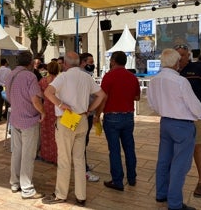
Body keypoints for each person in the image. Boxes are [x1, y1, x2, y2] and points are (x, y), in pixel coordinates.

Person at [147, 48, 201, 210]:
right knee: (180, 165)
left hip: (165, 123)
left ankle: (161, 193)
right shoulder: (180, 81)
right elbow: (193, 104)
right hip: (182, 126)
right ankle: (175, 204)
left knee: (163, 161)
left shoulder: (154, 80)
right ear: (176, 63)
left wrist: (166, 108)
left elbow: (151, 103)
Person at [42, 51, 102, 207]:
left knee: (64, 159)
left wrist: (60, 104)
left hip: (66, 119)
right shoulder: (87, 77)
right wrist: (90, 109)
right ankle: (81, 196)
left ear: (66, 64)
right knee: (79, 159)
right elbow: (102, 95)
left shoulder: (63, 76)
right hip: (82, 118)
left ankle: (61, 194)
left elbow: (48, 92)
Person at [95, 51, 140, 191]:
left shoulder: (108, 77)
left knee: (114, 150)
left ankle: (117, 181)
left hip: (112, 117)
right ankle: (132, 178)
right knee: (129, 148)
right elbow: (137, 97)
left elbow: (103, 98)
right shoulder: (132, 77)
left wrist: (97, 115)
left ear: (113, 61)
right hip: (128, 116)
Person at [175, 44, 201, 197]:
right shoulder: (172, 71)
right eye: (177, 55)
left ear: (188, 56)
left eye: (183, 55)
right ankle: (175, 181)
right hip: (176, 118)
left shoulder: (196, 69)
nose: (180, 58)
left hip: (194, 117)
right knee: (176, 149)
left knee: (197, 148)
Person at [5, 51, 45, 200]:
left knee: (17, 152)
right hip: (29, 120)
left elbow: (8, 96)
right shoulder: (30, 76)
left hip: (15, 118)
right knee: (28, 155)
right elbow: (35, 99)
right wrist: (43, 112)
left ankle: (15, 182)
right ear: (30, 63)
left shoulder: (10, 75)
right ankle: (27, 188)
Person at [79, 52, 100, 182]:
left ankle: (84, 165)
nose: (93, 65)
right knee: (81, 142)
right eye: (90, 62)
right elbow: (99, 95)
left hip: (87, 113)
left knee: (84, 141)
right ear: (83, 62)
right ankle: (83, 171)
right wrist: (93, 109)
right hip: (84, 114)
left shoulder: (86, 76)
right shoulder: (84, 77)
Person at [38, 61, 60, 164]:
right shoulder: (59, 81)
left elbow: (40, 94)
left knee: (46, 132)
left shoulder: (42, 81)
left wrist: (46, 98)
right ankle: (57, 157)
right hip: (57, 107)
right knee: (57, 133)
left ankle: (46, 155)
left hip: (46, 107)